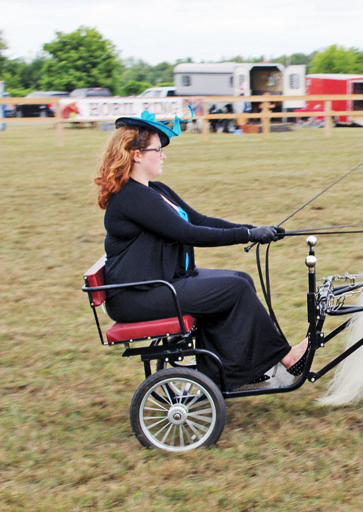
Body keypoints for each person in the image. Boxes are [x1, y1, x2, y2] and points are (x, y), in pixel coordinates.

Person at [94, 110, 308, 390]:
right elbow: (188, 233)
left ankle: (235, 371)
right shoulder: (131, 198)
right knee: (235, 289)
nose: (163, 155)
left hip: (161, 283)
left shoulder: (156, 190)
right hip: (138, 294)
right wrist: (246, 234)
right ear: (136, 154)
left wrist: (253, 229)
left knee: (240, 280)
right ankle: (287, 357)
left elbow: (200, 220)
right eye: (158, 149)